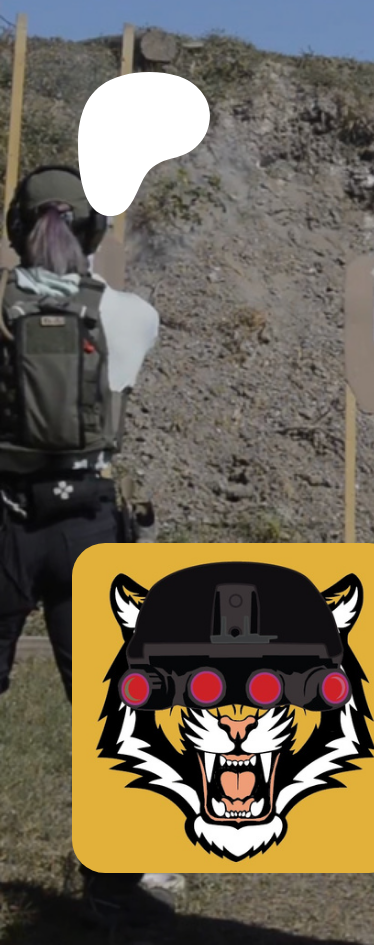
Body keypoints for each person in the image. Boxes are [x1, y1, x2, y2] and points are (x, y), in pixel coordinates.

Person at [0, 165, 174, 935]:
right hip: (91, 527)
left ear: (18, 229)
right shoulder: (129, 314)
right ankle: (112, 889)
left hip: (6, 519)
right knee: (110, 713)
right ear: (93, 232)